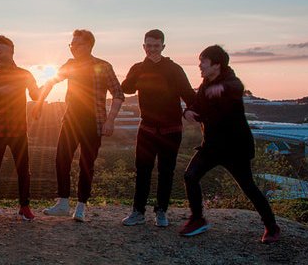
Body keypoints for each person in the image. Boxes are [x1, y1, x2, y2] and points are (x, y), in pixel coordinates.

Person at [181, 45, 281, 243]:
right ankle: (198, 219)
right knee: (190, 176)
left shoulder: (230, 82)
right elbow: (197, 105)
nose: (199, 65)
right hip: (211, 146)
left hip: (235, 148)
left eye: (203, 62)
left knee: (248, 187)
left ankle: (272, 226)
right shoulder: (205, 84)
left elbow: (236, 89)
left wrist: (220, 89)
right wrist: (188, 112)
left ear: (217, 64)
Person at [33, 29, 125, 222]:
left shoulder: (103, 66)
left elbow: (118, 94)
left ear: (89, 45)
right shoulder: (71, 64)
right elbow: (51, 81)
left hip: (95, 122)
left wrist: (111, 120)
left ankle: (81, 207)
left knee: (86, 164)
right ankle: (63, 203)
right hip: (71, 121)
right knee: (61, 159)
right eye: (71, 44)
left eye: (77, 44)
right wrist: (40, 102)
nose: (73, 48)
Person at [120, 29, 196, 227]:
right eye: (149, 46)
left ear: (163, 46)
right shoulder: (137, 68)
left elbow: (189, 95)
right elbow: (126, 88)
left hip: (171, 130)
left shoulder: (175, 69)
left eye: (156, 46)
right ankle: (138, 212)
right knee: (142, 171)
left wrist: (191, 112)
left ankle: (161, 211)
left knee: (166, 171)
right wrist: (136, 74)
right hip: (146, 128)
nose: (152, 49)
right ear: (143, 47)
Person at [0, 35, 41, 221]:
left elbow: (35, 95)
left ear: (11, 52)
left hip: (18, 130)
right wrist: (0, 92)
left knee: (23, 170)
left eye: (0, 51)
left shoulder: (24, 74)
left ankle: (25, 206)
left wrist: (43, 90)